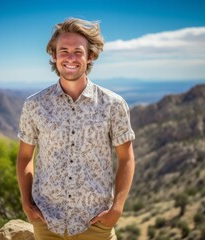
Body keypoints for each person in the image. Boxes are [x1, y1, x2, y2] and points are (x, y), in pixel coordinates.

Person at [16, 18, 135, 240]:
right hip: (46, 222)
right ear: (54, 55)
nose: (70, 58)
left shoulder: (113, 104)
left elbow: (126, 158)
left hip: (96, 224)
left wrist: (117, 209)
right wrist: (26, 203)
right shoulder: (34, 105)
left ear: (90, 56)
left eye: (78, 52)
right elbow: (24, 157)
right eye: (64, 51)